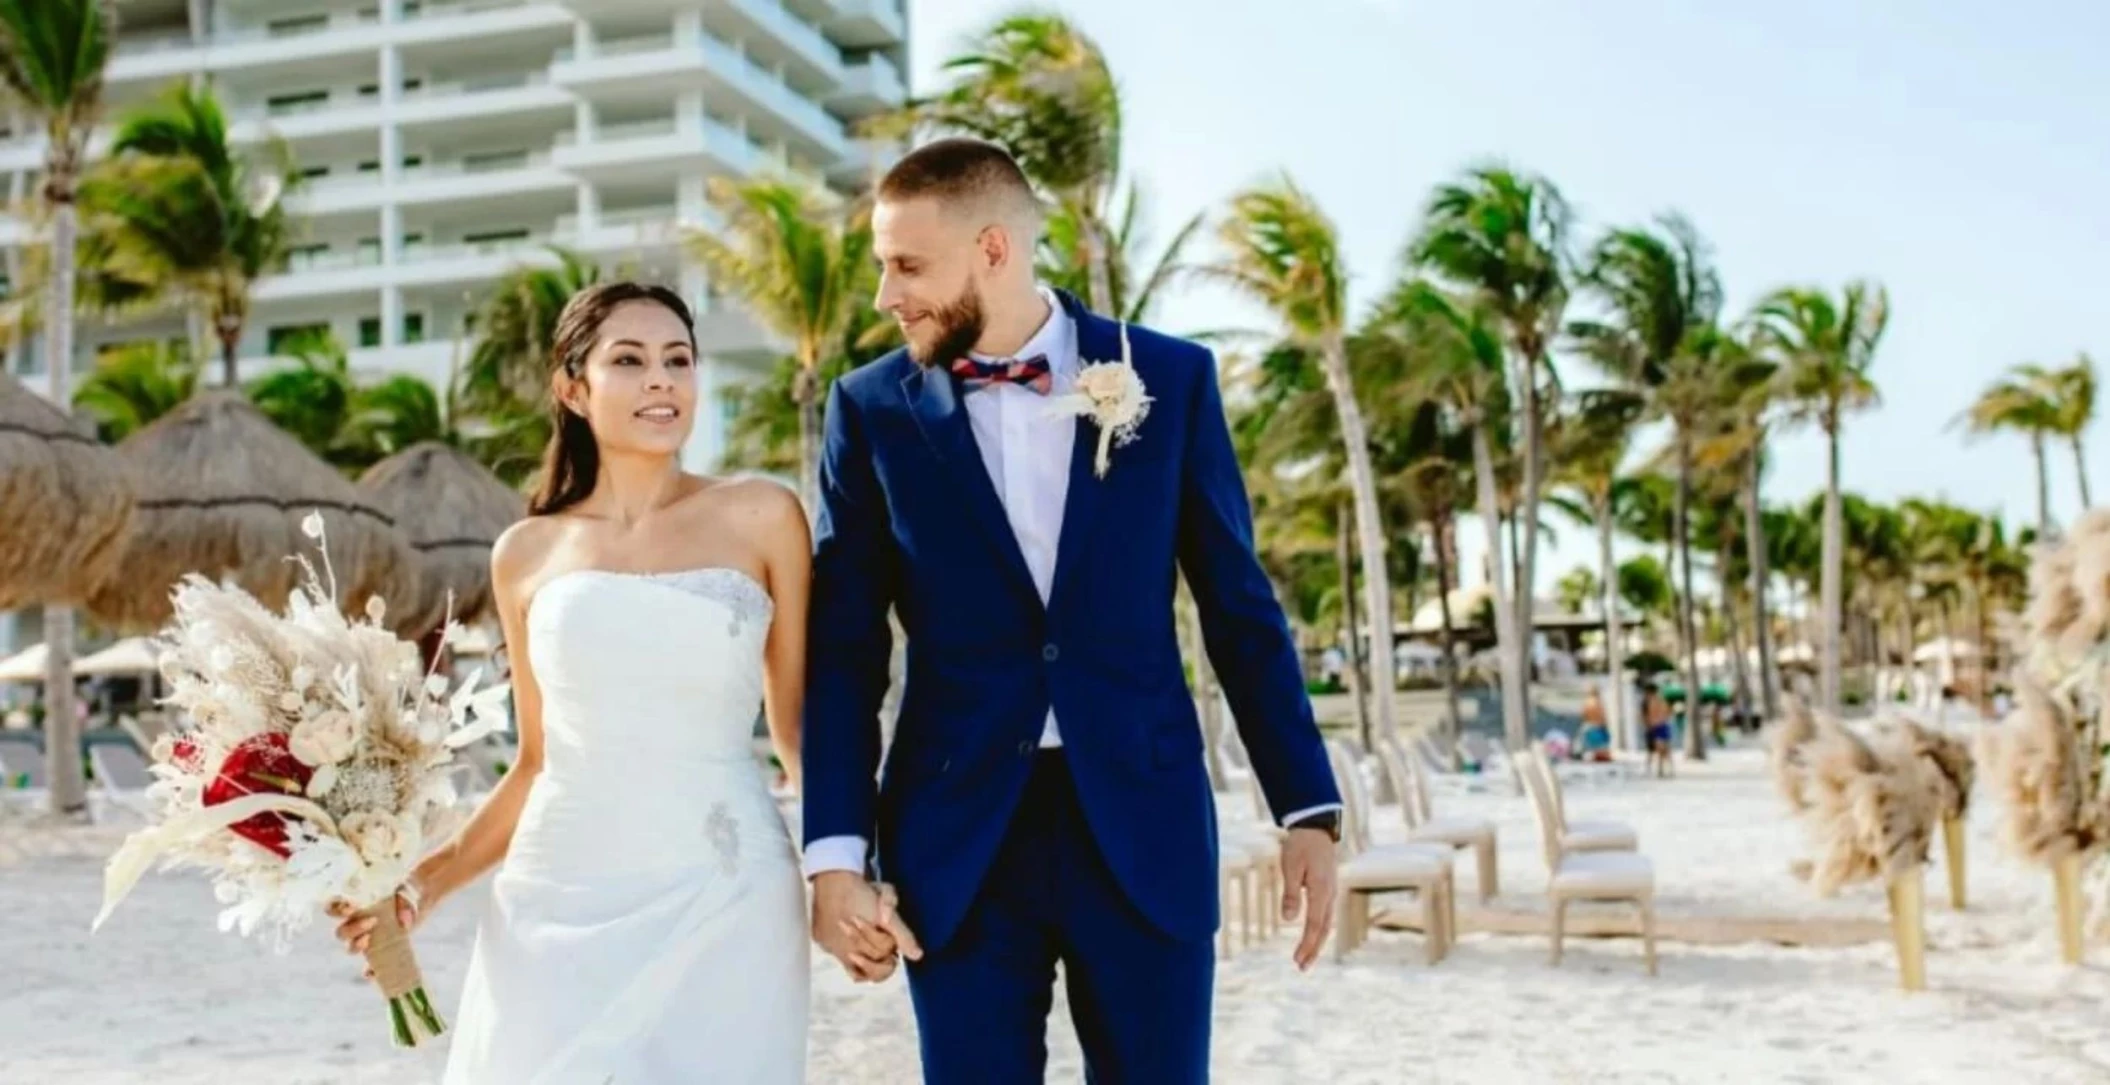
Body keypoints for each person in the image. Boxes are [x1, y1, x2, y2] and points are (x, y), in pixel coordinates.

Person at [800, 137, 1343, 1084]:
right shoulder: (868, 410)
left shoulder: (1169, 381)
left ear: (996, 249)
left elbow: (1238, 607)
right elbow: (846, 653)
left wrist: (1307, 805)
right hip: (957, 842)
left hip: (1141, 824)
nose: (887, 295)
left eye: (907, 265)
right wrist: (835, 855)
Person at [329, 283, 815, 1082]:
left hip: (729, 893)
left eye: (678, 359)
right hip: (554, 896)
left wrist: (840, 871)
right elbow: (535, 762)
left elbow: (796, 730)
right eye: (629, 360)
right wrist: (418, 886)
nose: (661, 379)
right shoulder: (525, 552)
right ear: (572, 387)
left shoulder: (763, 513)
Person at [1642, 680, 1674, 778]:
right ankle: (1665, 769)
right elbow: (1668, 713)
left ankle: (1662, 770)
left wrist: (1650, 724)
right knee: (1663, 749)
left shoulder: (1652, 701)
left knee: (1660, 749)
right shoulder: (1661, 700)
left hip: (1656, 727)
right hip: (1661, 726)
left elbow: (1649, 716)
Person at [1577, 687, 1612, 761]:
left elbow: (1583, 716)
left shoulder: (1586, 703)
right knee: (1600, 751)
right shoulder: (1598, 702)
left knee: (1588, 750)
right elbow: (1603, 717)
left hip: (1588, 727)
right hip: (1598, 728)